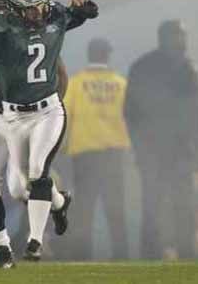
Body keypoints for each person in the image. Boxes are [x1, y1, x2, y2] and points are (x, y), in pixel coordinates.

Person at [0, 0, 98, 260]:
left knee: (38, 173)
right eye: (31, 8)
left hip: (46, 110)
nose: (39, 12)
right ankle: (59, 204)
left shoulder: (52, 15)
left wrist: (84, 5)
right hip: (10, 116)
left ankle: (34, 243)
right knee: (17, 186)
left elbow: (81, 14)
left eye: (40, 5)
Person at [124, 19, 198, 259]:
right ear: (168, 37)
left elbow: (129, 113)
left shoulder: (142, 66)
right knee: (176, 206)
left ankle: (150, 256)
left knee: (156, 205)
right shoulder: (187, 69)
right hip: (175, 152)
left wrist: (139, 148)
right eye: (179, 36)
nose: (182, 41)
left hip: (161, 152)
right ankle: (185, 255)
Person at [64, 38, 131, 260]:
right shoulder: (121, 84)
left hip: (84, 154)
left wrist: (62, 149)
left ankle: (81, 259)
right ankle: (121, 258)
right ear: (108, 55)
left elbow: (64, 118)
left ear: (90, 55)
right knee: (116, 211)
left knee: (84, 211)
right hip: (114, 153)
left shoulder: (75, 83)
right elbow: (133, 118)